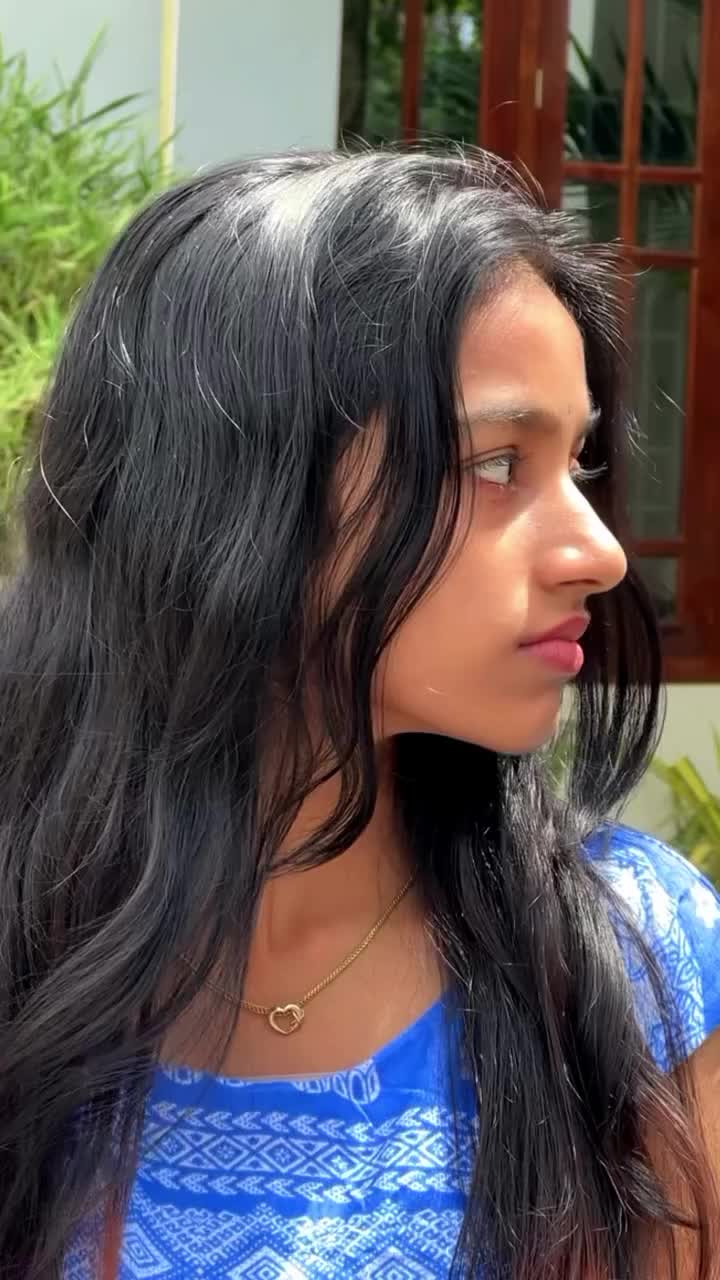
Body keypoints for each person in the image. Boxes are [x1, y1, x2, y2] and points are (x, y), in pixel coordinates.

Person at [0, 147, 718, 1280]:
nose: (599, 551)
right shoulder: (27, 943)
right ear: (238, 491)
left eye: (577, 462)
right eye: (498, 463)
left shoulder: (631, 963)